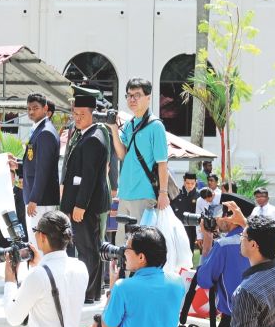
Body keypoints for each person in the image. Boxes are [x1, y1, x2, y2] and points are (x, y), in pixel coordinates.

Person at [3, 211, 89, 327]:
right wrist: (38, 266)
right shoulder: (80, 267)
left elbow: (13, 318)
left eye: (36, 231)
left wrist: (10, 280)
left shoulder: (39, 275)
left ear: (42, 237)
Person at [102, 226, 184, 327]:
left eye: (127, 249)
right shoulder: (177, 282)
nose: (123, 253)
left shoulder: (122, 288)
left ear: (141, 257)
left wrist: (111, 289)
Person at [61, 94, 110, 303]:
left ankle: (88, 292)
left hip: (85, 206)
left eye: (82, 114)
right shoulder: (85, 134)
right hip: (80, 204)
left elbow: (88, 176)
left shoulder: (93, 138)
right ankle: (92, 291)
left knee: (87, 248)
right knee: (87, 247)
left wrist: (80, 205)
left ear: (92, 115)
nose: (78, 117)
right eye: (75, 113)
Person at [108, 78, 169, 246]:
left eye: (137, 95)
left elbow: (163, 163)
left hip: (144, 195)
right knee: (122, 247)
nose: (132, 99)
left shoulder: (156, 126)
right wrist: (114, 129)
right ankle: (125, 274)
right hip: (125, 194)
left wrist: (163, 193)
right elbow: (122, 154)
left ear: (148, 97)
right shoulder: (130, 124)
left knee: (140, 247)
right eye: (129, 95)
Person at [227, 215, 275, 327]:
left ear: (253, 245)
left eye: (243, 236)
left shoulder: (247, 292)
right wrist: (244, 222)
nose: (241, 239)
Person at [196, 201, 250, 327]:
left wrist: (207, 238)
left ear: (230, 217)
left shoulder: (224, 245)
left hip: (233, 324)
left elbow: (204, 279)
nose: (216, 220)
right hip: (263, 323)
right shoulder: (262, 243)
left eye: (218, 215)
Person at [21, 93, 60, 247]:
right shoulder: (38, 130)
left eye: (35, 108)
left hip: (41, 200)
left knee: (39, 243)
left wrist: (34, 199)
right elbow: (33, 162)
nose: (31, 112)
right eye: (29, 109)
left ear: (45, 108)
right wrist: (17, 165)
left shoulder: (45, 133)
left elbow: (43, 169)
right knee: (34, 242)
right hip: (36, 198)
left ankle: (41, 270)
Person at [170, 171, 199, 254]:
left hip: (192, 229)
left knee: (189, 252)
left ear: (195, 182)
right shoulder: (176, 194)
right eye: (187, 183)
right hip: (178, 227)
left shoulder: (198, 196)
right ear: (184, 181)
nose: (190, 185)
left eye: (192, 183)